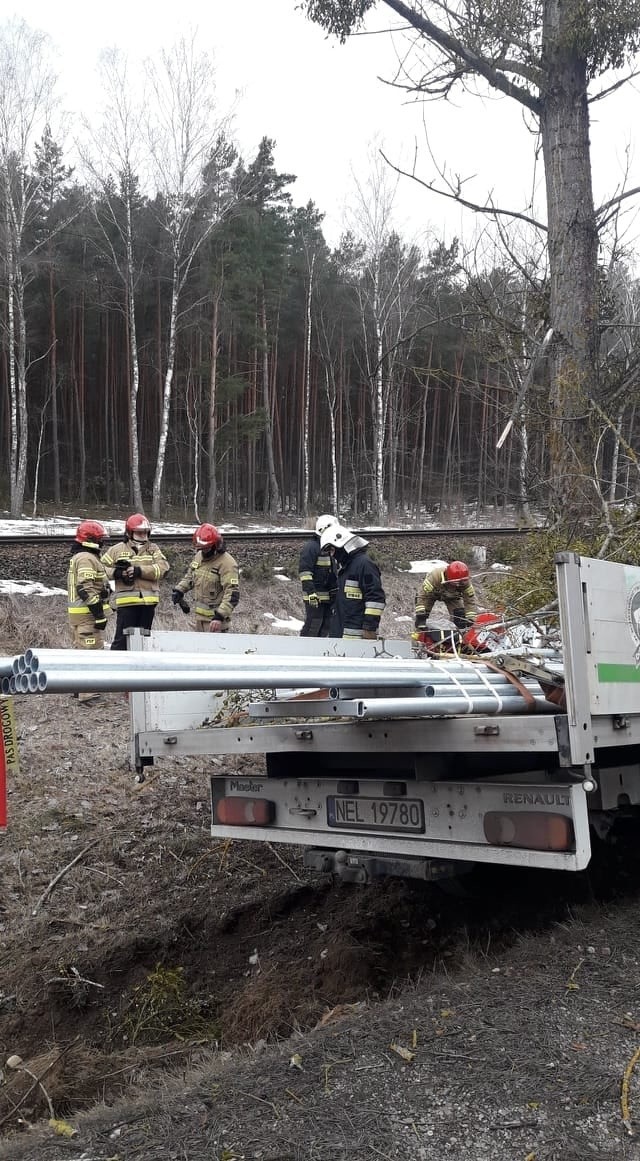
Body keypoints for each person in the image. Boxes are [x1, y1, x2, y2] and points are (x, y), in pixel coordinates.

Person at [101, 514, 170, 651]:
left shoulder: (153, 549)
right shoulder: (117, 550)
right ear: (129, 532)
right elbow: (100, 568)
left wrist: (140, 571)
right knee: (121, 641)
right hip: (127, 604)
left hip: (148, 603)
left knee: (144, 642)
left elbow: (163, 568)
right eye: (139, 532)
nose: (143, 535)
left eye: (145, 532)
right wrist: (117, 573)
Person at [67, 519, 112, 703]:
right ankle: (89, 695)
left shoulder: (81, 557)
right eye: (100, 539)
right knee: (92, 654)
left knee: (81, 652)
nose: (103, 543)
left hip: (79, 616)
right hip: (88, 616)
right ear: (91, 540)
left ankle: (78, 689)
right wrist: (99, 614)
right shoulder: (86, 558)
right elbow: (84, 588)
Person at [319, 523, 385, 640]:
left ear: (342, 545)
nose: (332, 555)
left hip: (357, 638)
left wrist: (369, 628)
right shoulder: (346, 568)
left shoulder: (364, 565)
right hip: (341, 634)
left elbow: (375, 599)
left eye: (332, 550)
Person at [172, 523, 240, 632]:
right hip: (198, 619)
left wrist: (220, 617)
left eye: (206, 549)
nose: (203, 551)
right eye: (201, 548)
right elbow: (190, 577)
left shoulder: (227, 563)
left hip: (215, 623)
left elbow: (232, 594)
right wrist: (179, 590)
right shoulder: (199, 556)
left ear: (215, 545)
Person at [298, 514, 338, 637]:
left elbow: (331, 571)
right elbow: (305, 572)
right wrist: (311, 593)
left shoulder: (327, 547)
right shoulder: (312, 547)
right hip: (315, 596)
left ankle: (319, 652)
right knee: (313, 626)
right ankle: (304, 651)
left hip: (327, 597)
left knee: (326, 625)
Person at [415, 560, 479, 632]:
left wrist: (471, 619)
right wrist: (420, 612)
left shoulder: (465, 581)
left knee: (460, 619)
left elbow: (470, 600)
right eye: (456, 582)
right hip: (431, 595)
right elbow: (423, 595)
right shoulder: (435, 576)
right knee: (421, 619)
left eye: (461, 582)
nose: (458, 585)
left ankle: (456, 638)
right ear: (448, 578)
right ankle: (419, 637)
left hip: (452, 596)